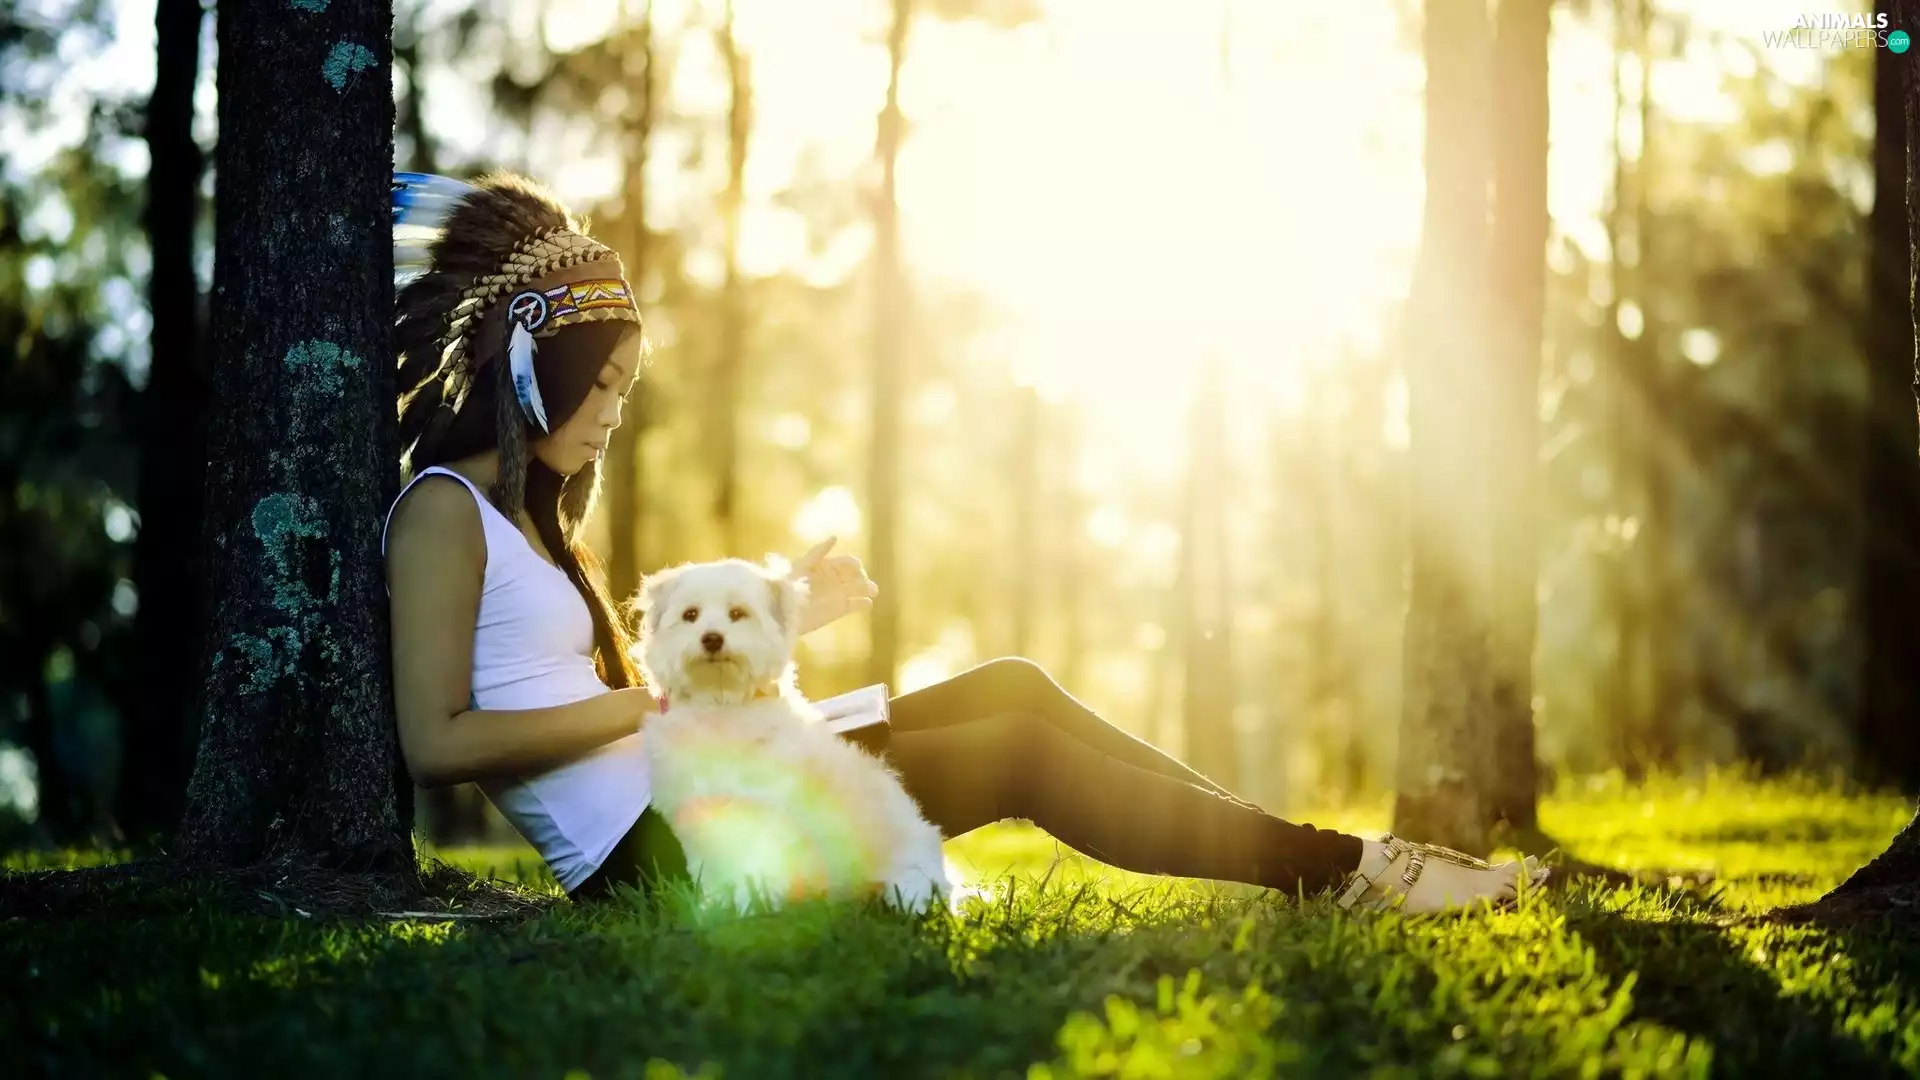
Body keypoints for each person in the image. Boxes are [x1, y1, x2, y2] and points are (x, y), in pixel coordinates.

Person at [382, 172, 1545, 915]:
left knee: (1015, 685)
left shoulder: (536, 521)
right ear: (538, 365)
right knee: (1015, 756)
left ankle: (1295, 859)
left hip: (710, 767)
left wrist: (786, 616)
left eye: (627, 389)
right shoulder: (443, 511)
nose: (616, 412)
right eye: (607, 386)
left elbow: (668, 665)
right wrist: (644, 713)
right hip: (660, 848)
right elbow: (437, 743)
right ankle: (1350, 873)